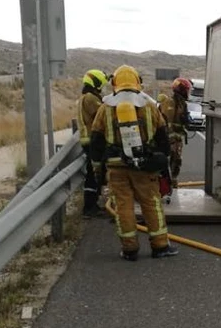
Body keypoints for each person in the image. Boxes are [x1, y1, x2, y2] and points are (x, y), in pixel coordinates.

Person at [89, 65, 178, 261]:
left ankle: (129, 249)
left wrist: (97, 169)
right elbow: (163, 138)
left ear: (114, 83)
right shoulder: (149, 106)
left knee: (123, 207)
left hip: (116, 168)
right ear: (138, 82)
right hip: (144, 166)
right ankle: (160, 246)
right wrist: (160, 161)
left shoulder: (105, 108)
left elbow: (96, 141)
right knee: (152, 204)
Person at [76, 69, 109, 218]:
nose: (102, 87)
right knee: (93, 173)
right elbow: (102, 115)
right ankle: (89, 208)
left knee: (95, 172)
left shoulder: (86, 96)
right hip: (92, 141)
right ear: (95, 83)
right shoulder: (90, 98)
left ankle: (92, 205)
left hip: (90, 140)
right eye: (101, 84)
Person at [157, 77, 192, 191]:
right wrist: (170, 139)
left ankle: (172, 182)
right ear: (181, 90)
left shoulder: (181, 103)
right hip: (170, 139)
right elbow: (167, 122)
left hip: (177, 139)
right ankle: (165, 185)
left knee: (176, 162)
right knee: (168, 161)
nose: (187, 92)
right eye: (186, 90)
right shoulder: (170, 103)